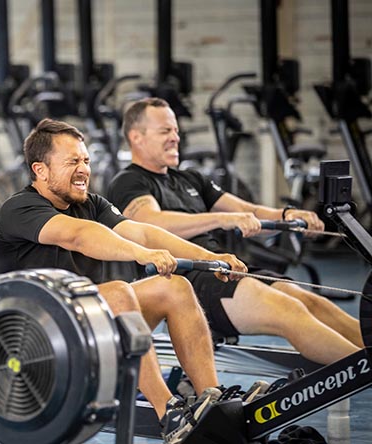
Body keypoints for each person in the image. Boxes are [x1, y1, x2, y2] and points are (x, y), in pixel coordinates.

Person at [0, 118, 247, 443]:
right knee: (116, 294)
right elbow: (79, 236)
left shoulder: (92, 204)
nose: (83, 169)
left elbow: (143, 231)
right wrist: (141, 254)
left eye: (85, 160)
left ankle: (211, 400)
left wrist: (210, 258)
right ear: (40, 170)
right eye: (72, 162)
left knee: (175, 287)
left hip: (77, 330)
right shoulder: (19, 208)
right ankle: (168, 412)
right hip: (30, 343)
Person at [106, 97, 361, 365]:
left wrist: (287, 215)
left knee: (311, 301)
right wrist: (221, 218)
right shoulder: (129, 181)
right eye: (165, 131)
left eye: (176, 130)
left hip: (225, 266)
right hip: (189, 278)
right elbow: (150, 222)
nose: (175, 138)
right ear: (137, 137)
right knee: (289, 309)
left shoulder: (189, 178)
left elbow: (246, 210)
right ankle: (363, 371)